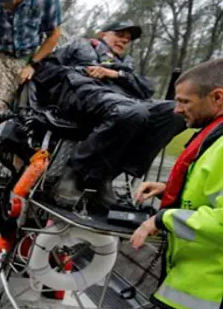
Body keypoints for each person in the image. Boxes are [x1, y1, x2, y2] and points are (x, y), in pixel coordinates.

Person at [33, 21, 186, 208]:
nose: (124, 40)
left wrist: (114, 74)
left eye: (128, 39)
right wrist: (82, 73)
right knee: (131, 112)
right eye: (119, 34)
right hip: (83, 94)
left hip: (121, 100)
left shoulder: (125, 64)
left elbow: (146, 89)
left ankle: (106, 176)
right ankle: (74, 173)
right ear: (102, 34)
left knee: (175, 112)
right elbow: (46, 69)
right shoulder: (81, 45)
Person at [129, 58, 223, 309]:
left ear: (217, 97)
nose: (177, 109)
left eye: (184, 101)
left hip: (207, 301)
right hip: (194, 287)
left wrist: (162, 218)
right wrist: (169, 189)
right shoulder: (214, 138)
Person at [0, 0, 63, 176]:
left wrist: (33, 64)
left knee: (28, 115)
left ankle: (18, 167)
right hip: (1, 59)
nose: (4, 1)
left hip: (33, 56)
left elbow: (54, 34)